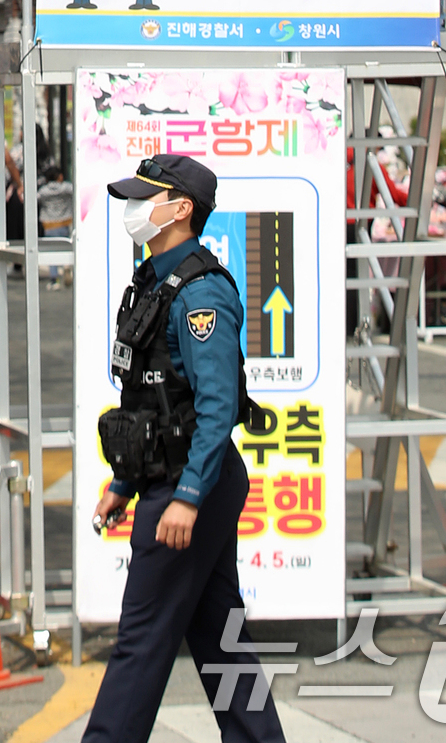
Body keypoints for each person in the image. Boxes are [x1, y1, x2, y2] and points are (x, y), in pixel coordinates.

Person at [84, 154, 285, 743]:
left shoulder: (201, 293)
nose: (132, 209)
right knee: (219, 636)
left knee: (141, 640)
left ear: (181, 209)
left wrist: (188, 497)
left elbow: (217, 406)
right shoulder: (152, 280)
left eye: (145, 199)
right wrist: (123, 484)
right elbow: (150, 401)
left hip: (193, 483)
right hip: (173, 478)